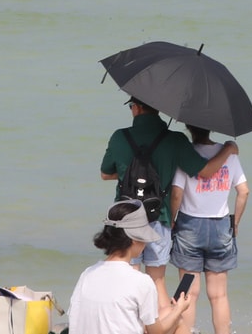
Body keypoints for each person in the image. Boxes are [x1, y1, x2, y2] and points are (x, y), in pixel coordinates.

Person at [100, 98, 240, 309]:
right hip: (159, 217)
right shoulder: (175, 140)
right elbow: (204, 170)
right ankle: (162, 328)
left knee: (130, 279)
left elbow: (105, 173)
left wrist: (126, 174)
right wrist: (228, 149)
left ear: (137, 108)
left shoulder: (120, 136)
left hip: (125, 220)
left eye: (131, 107)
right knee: (157, 283)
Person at [70, 200, 193, 334]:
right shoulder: (141, 281)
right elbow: (157, 332)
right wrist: (179, 309)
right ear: (134, 239)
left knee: (167, 311)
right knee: (177, 319)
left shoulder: (87, 274)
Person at [170, 125, 249, 334]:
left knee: (188, 294)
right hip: (220, 226)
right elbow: (244, 191)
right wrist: (236, 223)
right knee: (219, 295)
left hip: (189, 226)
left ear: (188, 127)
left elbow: (177, 194)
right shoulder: (229, 154)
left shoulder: (185, 154)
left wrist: (171, 219)